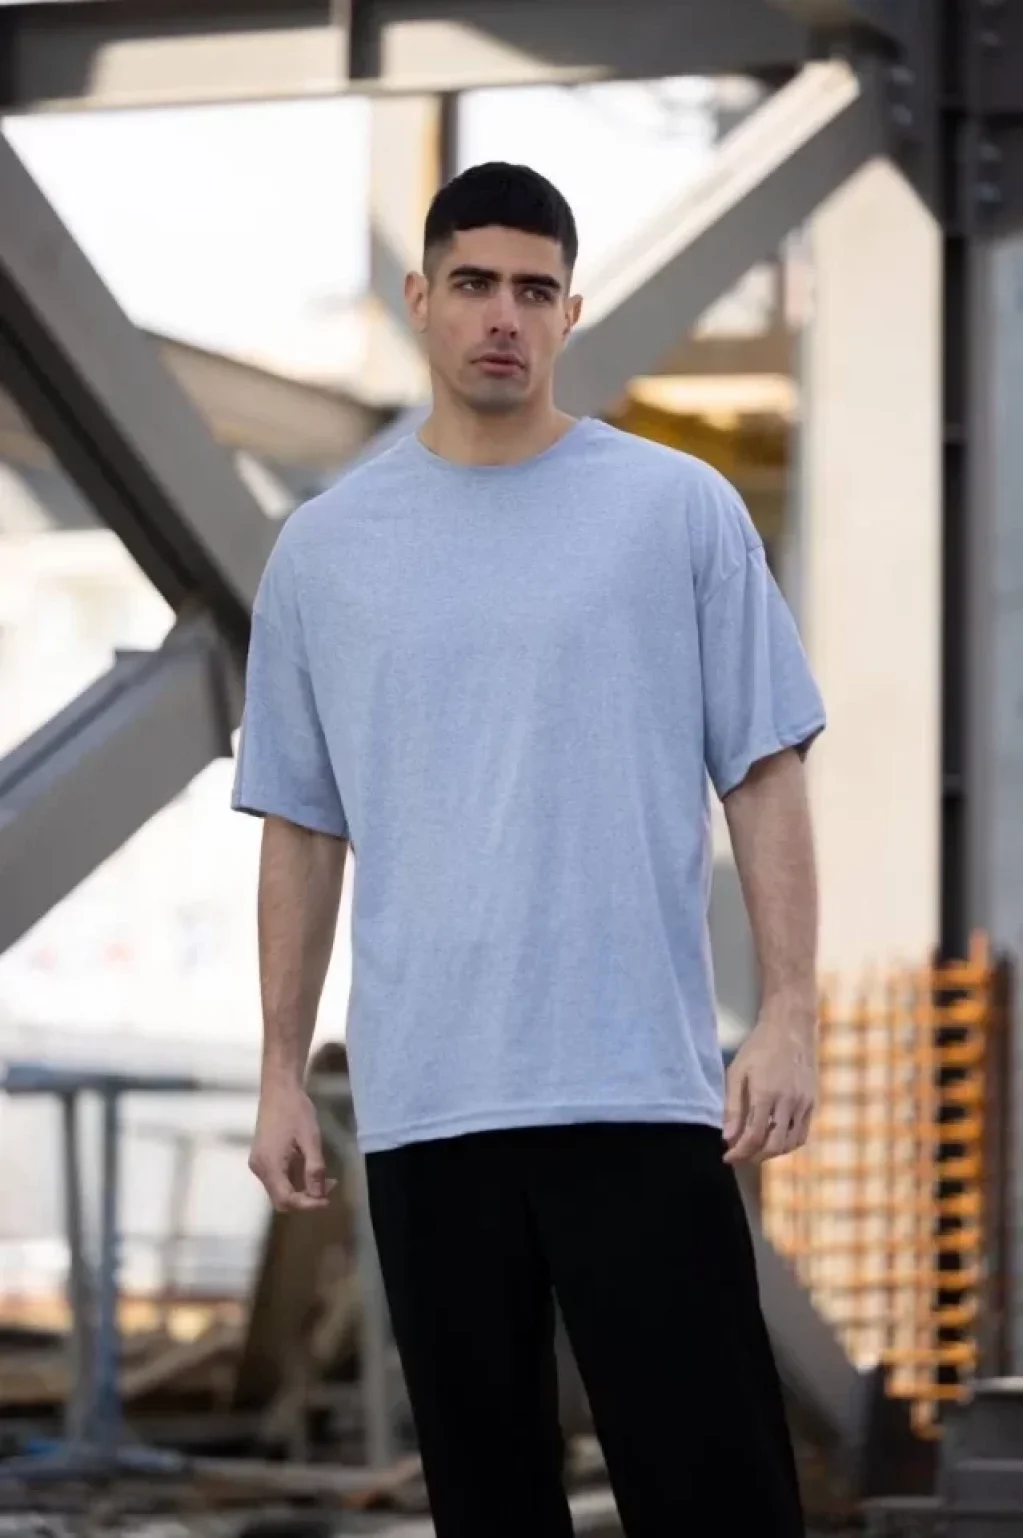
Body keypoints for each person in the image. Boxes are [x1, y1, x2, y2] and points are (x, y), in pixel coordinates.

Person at [232, 161, 824, 1537]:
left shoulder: (677, 511)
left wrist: (790, 1011)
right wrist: (277, 1069)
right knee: (489, 1509)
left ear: (571, 311)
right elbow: (303, 827)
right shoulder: (324, 552)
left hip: (638, 1090)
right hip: (429, 1104)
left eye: (535, 289)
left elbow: (765, 769)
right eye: (476, 283)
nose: (505, 314)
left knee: (719, 1498)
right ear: (420, 297)